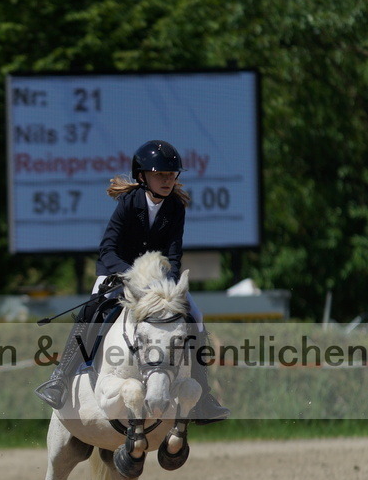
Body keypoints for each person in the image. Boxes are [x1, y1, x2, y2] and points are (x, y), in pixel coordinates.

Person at [35, 139, 229, 423]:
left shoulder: (175, 208)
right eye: (160, 175)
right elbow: (107, 249)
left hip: (158, 282)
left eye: (172, 175)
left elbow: (174, 255)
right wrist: (132, 276)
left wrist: (167, 284)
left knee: (196, 317)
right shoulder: (129, 202)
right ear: (142, 176)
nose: (167, 180)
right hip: (118, 272)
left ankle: (204, 397)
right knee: (91, 311)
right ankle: (60, 378)